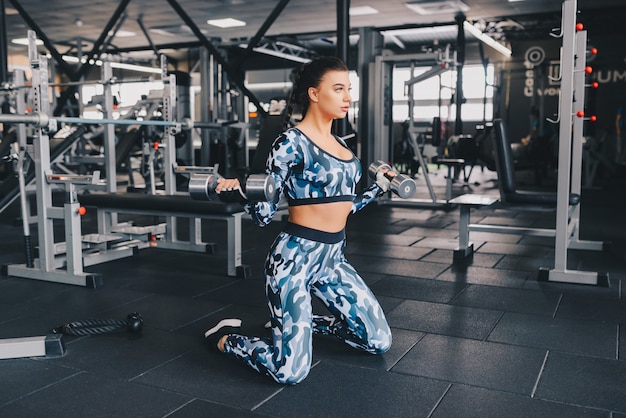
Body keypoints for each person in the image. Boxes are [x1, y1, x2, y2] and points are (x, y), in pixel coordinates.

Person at [205, 56, 393, 385]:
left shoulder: (342, 146)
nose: (348, 97)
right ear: (315, 94)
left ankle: (304, 322)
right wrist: (237, 191)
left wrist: (380, 187)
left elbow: (345, 208)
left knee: (378, 341)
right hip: (294, 261)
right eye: (338, 89)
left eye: (349, 89)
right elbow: (263, 215)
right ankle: (226, 340)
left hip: (333, 260)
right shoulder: (291, 143)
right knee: (290, 372)